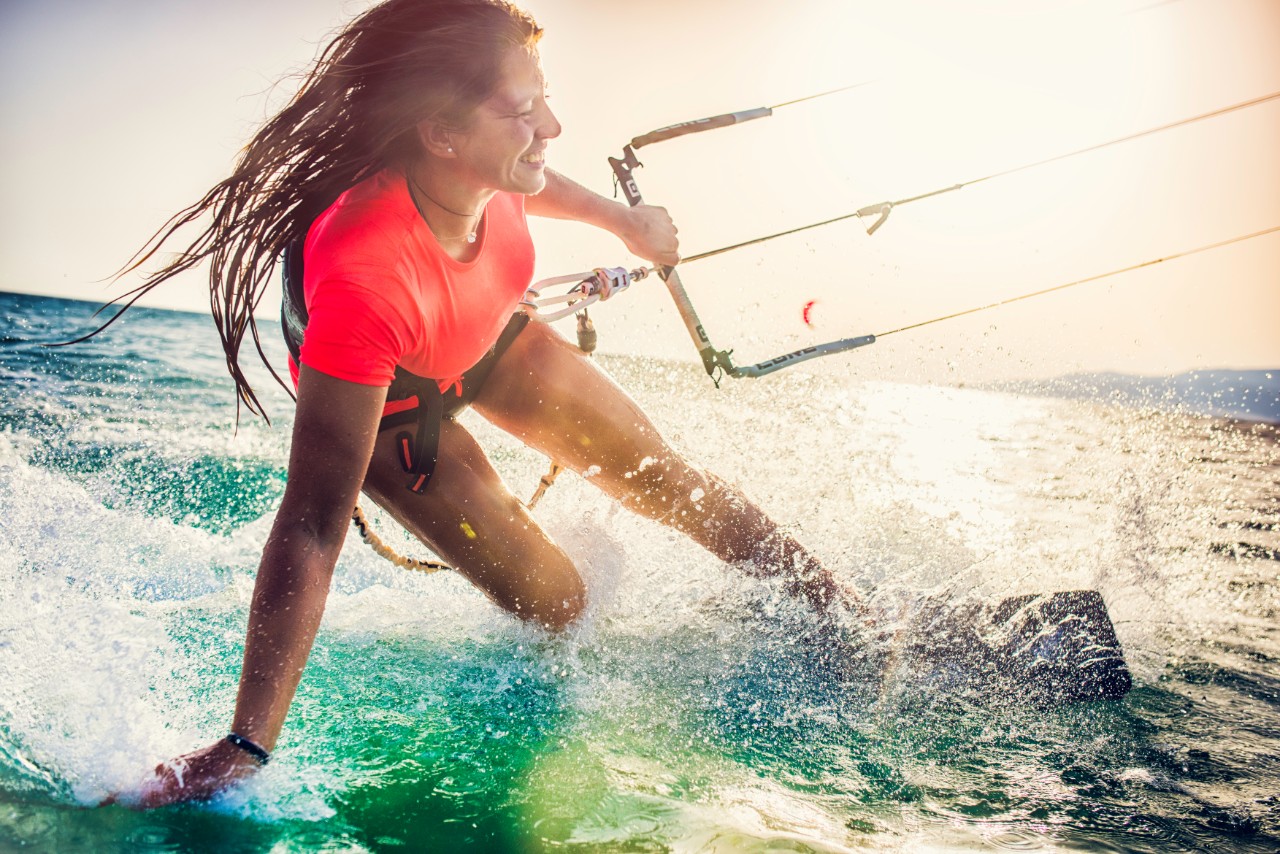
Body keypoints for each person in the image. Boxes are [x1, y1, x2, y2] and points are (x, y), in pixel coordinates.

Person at [106, 0, 864, 808]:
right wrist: (246, 743)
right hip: (398, 411)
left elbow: (531, 186)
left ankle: (848, 621)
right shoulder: (364, 277)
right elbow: (311, 523)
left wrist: (621, 222)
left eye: (545, 98)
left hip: (492, 338)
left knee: (670, 482)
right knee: (561, 605)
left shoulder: (492, 166)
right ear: (442, 135)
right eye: (524, 111)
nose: (554, 126)